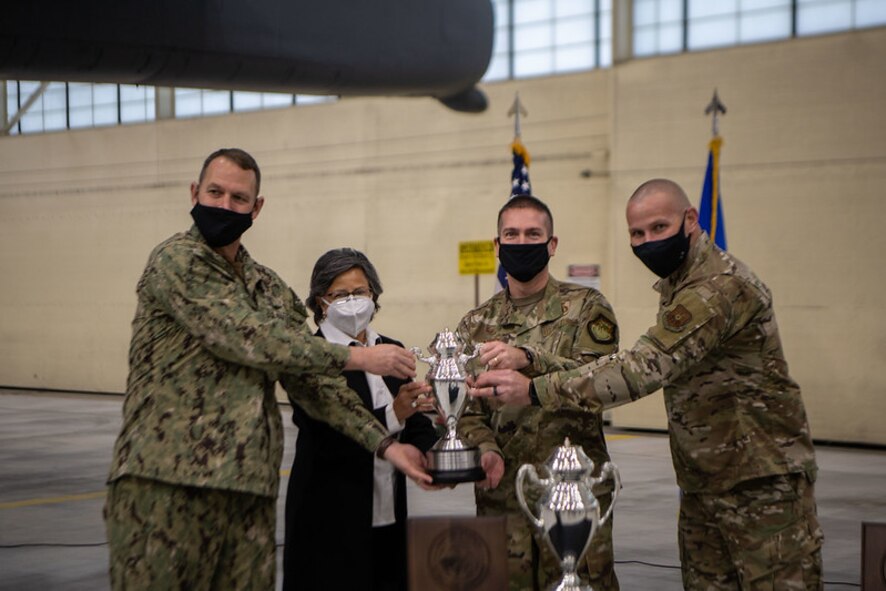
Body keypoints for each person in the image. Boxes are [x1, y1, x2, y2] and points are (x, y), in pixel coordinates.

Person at [104, 148, 432, 590]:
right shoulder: (176, 261)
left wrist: (387, 446)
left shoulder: (270, 288)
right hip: (165, 481)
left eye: (239, 198)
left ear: (256, 208)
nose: (224, 205)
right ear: (194, 192)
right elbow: (248, 336)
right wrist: (355, 357)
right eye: (214, 192)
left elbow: (312, 383)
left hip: (247, 487)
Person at [472, 179, 823, 589]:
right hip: (704, 477)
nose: (647, 241)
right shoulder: (680, 284)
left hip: (759, 482)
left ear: (690, 220)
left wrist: (533, 388)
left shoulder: (717, 287)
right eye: (637, 233)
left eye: (659, 228)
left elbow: (641, 369)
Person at [456, 194, 621, 591]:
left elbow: (601, 380)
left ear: (552, 244)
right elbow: (463, 408)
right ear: (496, 246)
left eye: (533, 233)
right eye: (511, 234)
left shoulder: (586, 308)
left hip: (572, 496)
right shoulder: (476, 324)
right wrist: (484, 447)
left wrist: (529, 359)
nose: (521, 242)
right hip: (501, 497)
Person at [283, 248, 439, 591]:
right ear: (321, 302)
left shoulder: (392, 350)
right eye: (341, 294)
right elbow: (326, 435)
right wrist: (393, 413)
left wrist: (436, 460)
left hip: (389, 514)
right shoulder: (312, 357)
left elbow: (416, 424)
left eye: (361, 292)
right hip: (329, 518)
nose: (353, 301)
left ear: (374, 296)